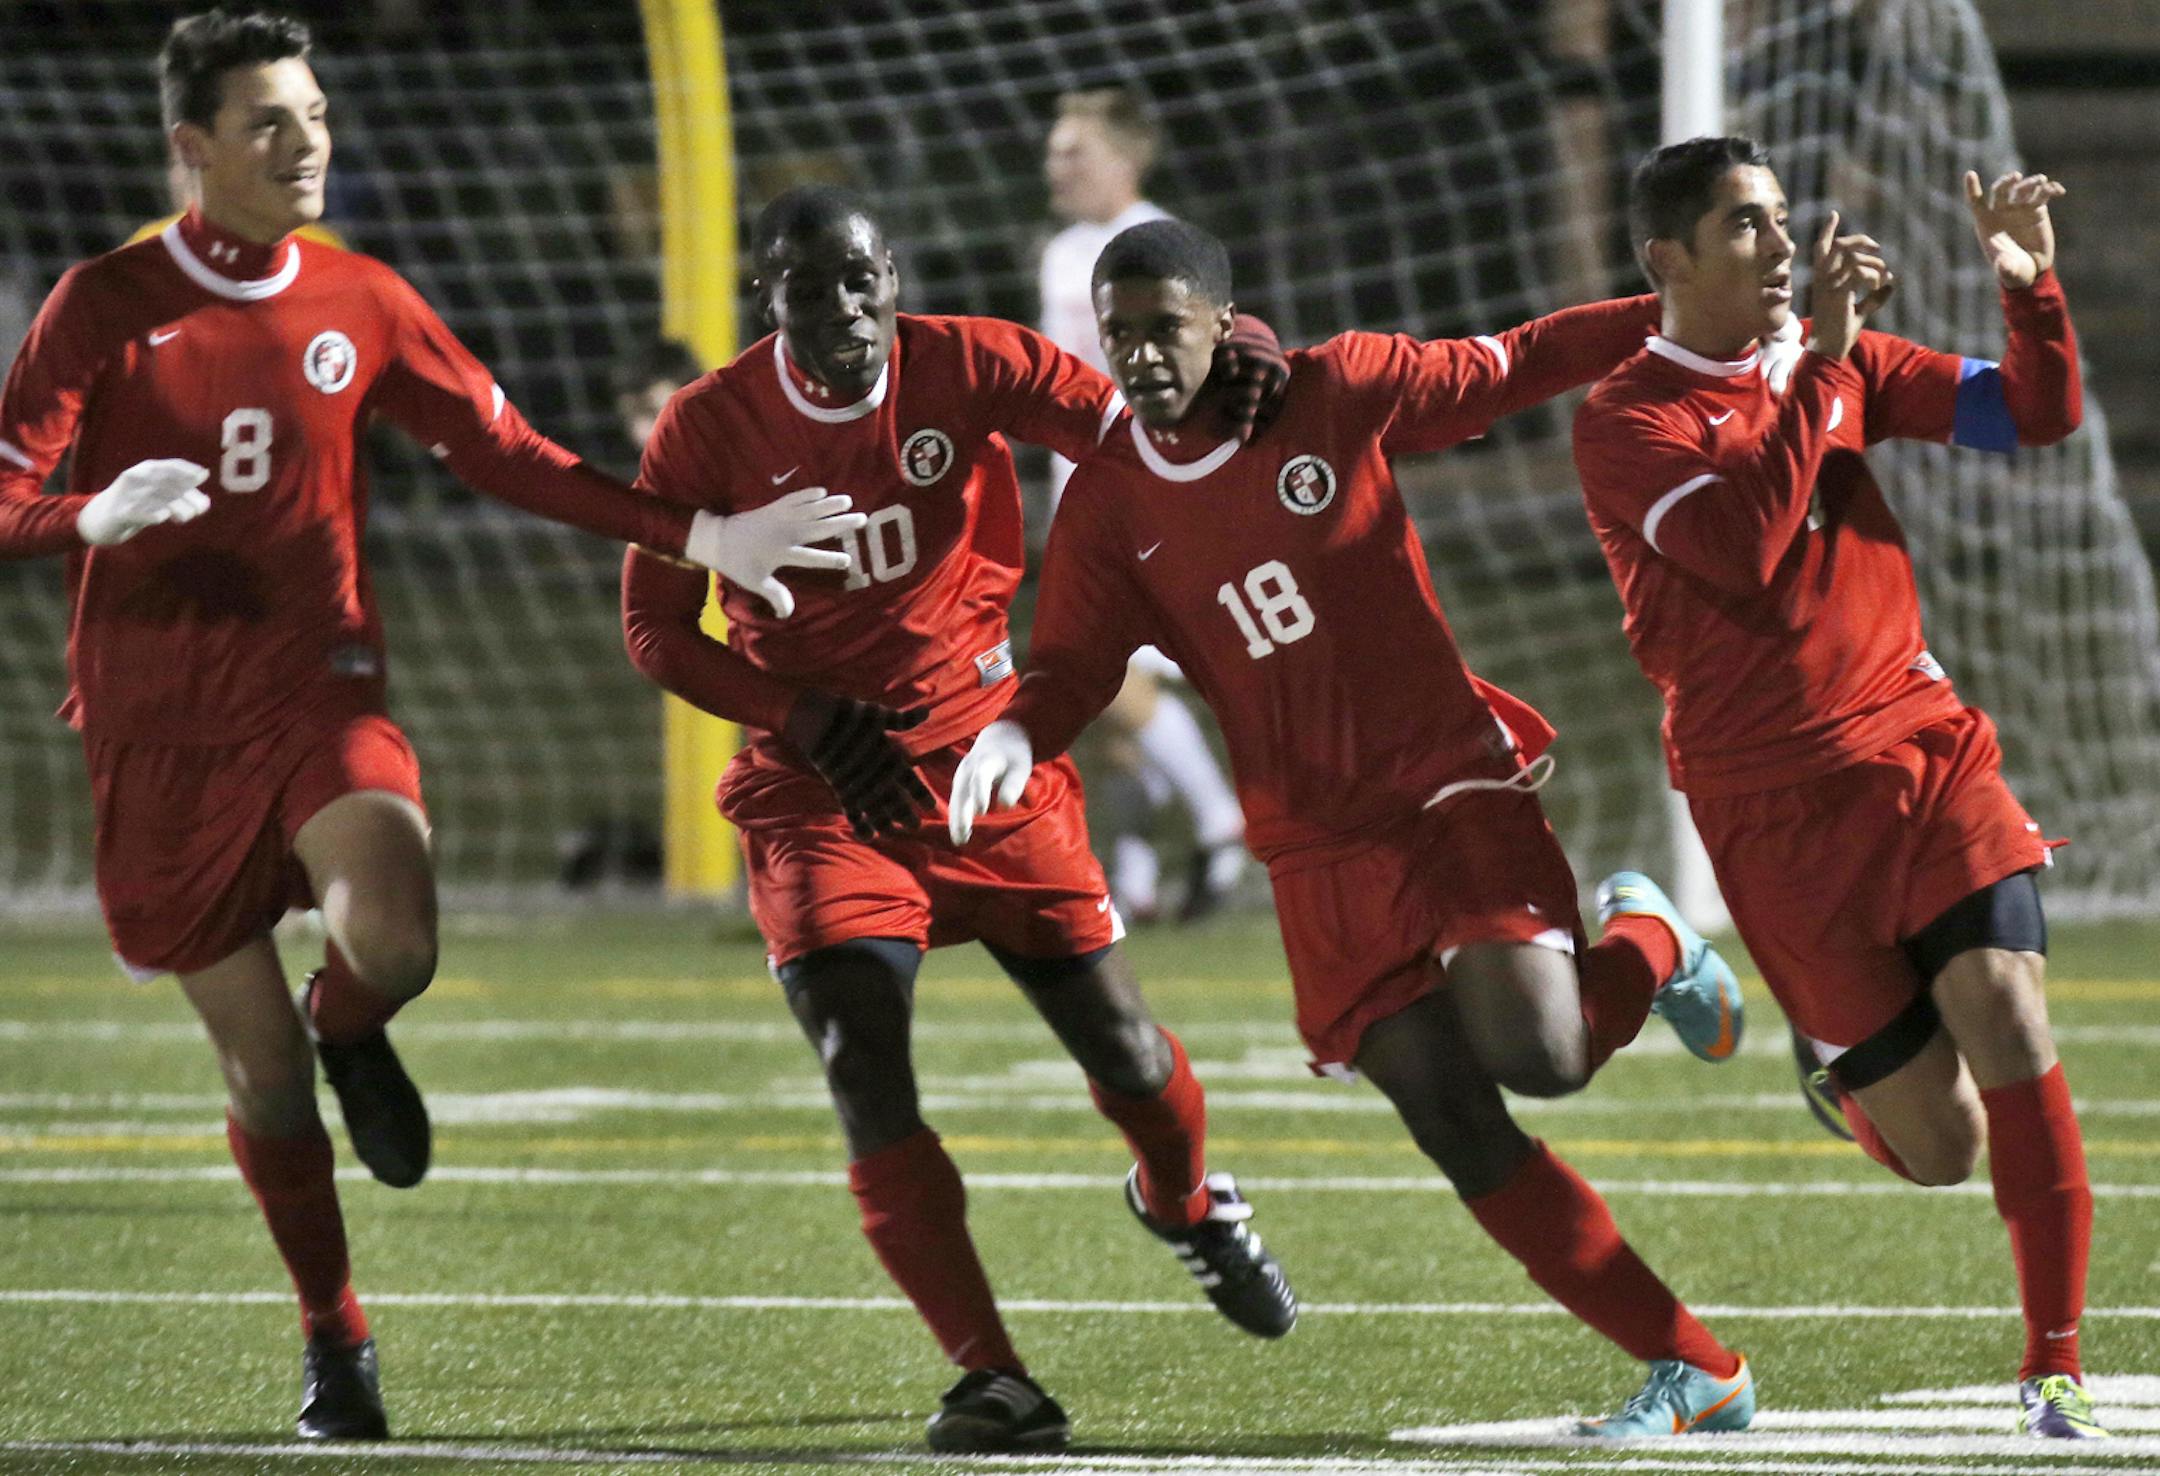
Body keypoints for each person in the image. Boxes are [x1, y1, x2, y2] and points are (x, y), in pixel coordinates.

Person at [0, 10, 854, 1441]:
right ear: (189, 148)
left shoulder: (363, 300)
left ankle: (355, 1021)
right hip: (154, 735)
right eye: (270, 122)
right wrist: (84, 512)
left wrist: (705, 532)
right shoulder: (103, 302)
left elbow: (506, 455)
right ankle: (336, 1339)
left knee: (396, 935)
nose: (307, 141)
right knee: (257, 1082)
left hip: (319, 693)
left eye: (317, 114)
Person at [950, 218, 1756, 1438]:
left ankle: (1648, 942)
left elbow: (1515, 362)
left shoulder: (1335, 389)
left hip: (1442, 780)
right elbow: (1069, 659)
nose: (1139, 356)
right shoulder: (1112, 497)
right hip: (1315, 845)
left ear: (1221, 322)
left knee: (1544, 1056)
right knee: (1450, 1118)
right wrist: (1015, 732)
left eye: (1163, 327)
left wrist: (1682, 321)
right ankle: (1698, 1368)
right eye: (1117, 335)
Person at [618, 184, 1297, 1455]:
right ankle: (993, 1375)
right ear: (768, 298)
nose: (846, 309)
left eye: (865, 280)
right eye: (812, 287)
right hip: (825, 787)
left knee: (1130, 1056)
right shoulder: (708, 429)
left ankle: (1189, 1201)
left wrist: (1226, 382)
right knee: (860, 1054)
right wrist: (803, 718)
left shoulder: (969, 359)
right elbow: (655, 629)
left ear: (897, 279)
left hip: (987, 759)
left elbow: (1118, 427)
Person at [1572, 136, 2099, 1438]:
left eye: (1780, 219)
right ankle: (1840, 1073)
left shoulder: (1833, 362)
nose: (1779, 245)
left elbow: (2032, 414)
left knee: (2012, 1022)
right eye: (1745, 226)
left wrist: (2029, 287)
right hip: (1771, 810)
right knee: (1945, 1153)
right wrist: (1824, 368)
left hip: (1922, 749)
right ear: (1665, 260)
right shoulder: (1626, 420)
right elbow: (1742, 547)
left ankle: (2054, 1367)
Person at [1039, 87, 1248, 923]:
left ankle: (1220, 820)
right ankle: (1131, 883)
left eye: (1075, 152)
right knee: (1105, 705)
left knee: (1112, 681)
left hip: (1151, 488)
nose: (1057, 166)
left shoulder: (1161, 246)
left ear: (1126, 159)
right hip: (1081, 493)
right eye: (1054, 151)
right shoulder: (1062, 253)